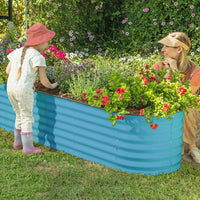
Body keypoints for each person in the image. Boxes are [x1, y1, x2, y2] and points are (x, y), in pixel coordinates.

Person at [6, 23, 58, 154]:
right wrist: (52, 86)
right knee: (27, 116)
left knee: (19, 114)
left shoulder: (17, 52)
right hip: (23, 90)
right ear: (40, 41)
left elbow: (7, 71)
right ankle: (28, 147)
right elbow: (44, 81)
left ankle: (17, 142)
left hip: (11, 88)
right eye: (47, 41)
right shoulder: (38, 57)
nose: (48, 45)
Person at [153, 32, 200, 163]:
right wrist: (166, 76)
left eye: (167, 46)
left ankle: (192, 147)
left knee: (188, 106)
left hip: (191, 109)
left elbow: (184, 95)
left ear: (179, 49)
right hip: (167, 105)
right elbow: (151, 92)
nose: (162, 50)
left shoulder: (196, 71)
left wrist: (175, 72)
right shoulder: (158, 67)